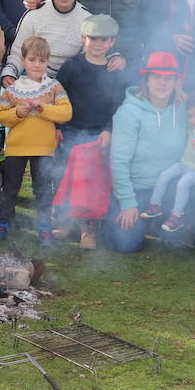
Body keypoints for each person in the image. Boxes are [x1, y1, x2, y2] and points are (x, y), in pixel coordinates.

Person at [52, 14, 136, 248]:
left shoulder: (114, 70)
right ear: (83, 39)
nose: (98, 44)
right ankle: (66, 220)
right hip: (71, 130)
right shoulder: (71, 66)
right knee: (67, 178)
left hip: (98, 134)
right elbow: (57, 97)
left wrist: (109, 129)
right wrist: (57, 127)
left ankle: (89, 229)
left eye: (104, 40)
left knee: (91, 182)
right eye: (93, 38)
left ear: (112, 42)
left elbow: (118, 105)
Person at [103, 52, 191, 253]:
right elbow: (118, 161)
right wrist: (127, 203)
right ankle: (110, 219)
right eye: (157, 77)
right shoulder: (129, 113)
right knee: (125, 244)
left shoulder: (181, 108)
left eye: (169, 78)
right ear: (147, 80)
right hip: (138, 189)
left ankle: (167, 225)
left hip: (170, 189)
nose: (163, 83)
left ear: (176, 82)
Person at [0, 36, 72, 245]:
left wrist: (43, 107)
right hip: (16, 148)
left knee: (43, 189)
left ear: (48, 62)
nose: (37, 65)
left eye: (42, 61)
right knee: (10, 188)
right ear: (23, 60)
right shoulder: (12, 89)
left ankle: (45, 227)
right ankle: (2, 223)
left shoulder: (54, 87)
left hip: (44, 148)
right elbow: (1, 116)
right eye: (32, 60)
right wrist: (17, 113)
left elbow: (66, 113)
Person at [140, 92, 195, 234]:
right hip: (184, 165)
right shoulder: (193, 129)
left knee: (183, 183)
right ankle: (155, 205)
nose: (192, 120)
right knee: (164, 175)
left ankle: (177, 216)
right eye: (190, 116)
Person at [0, 0, 92, 85]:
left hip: (72, 80)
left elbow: (90, 55)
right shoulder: (34, 15)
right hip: (36, 77)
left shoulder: (88, 19)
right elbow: (18, 51)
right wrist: (9, 73)